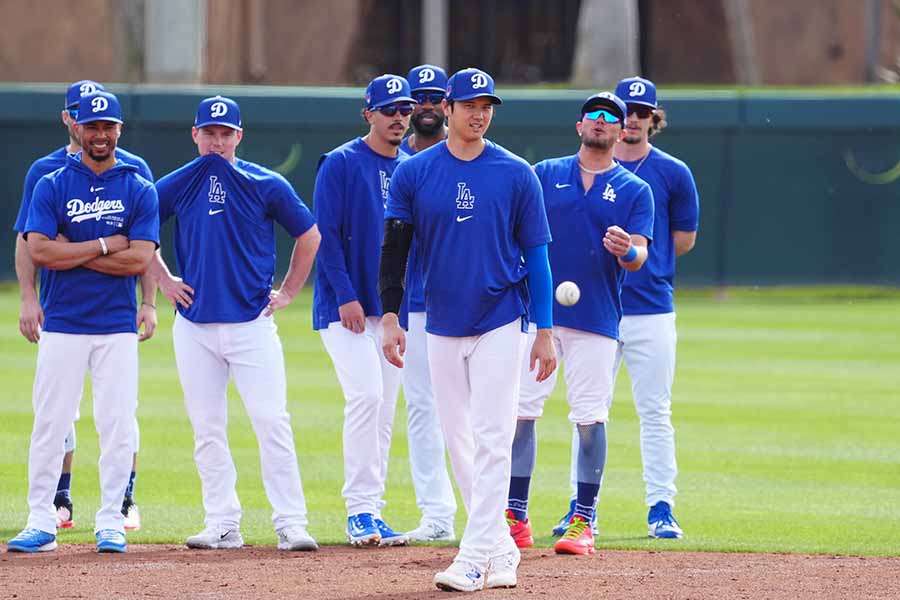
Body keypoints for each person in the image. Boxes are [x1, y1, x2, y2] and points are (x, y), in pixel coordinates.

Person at [379, 67, 557, 592]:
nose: (480, 114)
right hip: (440, 319)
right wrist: (390, 316)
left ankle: (474, 556)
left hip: (501, 318)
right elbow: (395, 250)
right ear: (448, 109)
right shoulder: (415, 173)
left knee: (493, 435)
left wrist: (544, 330)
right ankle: (502, 549)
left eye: (488, 106)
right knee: (458, 439)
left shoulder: (516, 172)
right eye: (471, 104)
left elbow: (539, 257)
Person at [148, 95, 321, 551]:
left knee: (271, 421)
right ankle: (222, 520)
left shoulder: (265, 182)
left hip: (250, 321)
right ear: (195, 135)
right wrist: (164, 279)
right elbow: (139, 231)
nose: (217, 142)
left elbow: (309, 235)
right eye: (210, 133)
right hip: (195, 323)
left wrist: (287, 292)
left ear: (239, 137)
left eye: (226, 134)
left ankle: (291, 522)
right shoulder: (177, 182)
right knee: (206, 426)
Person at [7, 90, 159, 554]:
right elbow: (39, 250)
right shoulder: (51, 182)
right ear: (76, 127)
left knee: (117, 423)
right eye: (91, 126)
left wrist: (71, 251)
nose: (100, 134)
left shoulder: (137, 184)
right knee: (51, 423)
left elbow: (142, 258)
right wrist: (104, 245)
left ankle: (111, 520)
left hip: (115, 324)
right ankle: (41, 520)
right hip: (64, 321)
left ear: (118, 130)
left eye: (107, 126)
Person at [504, 92, 654, 556]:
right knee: (521, 413)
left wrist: (626, 250)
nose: (603, 122)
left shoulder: (634, 190)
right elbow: (512, 232)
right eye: (594, 115)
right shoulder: (544, 174)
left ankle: (583, 521)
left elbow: (640, 257)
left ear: (622, 130)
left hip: (596, 317)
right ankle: (514, 515)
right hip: (538, 317)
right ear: (579, 126)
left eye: (612, 117)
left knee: (590, 417)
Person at [552, 76, 700, 540]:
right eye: (626, 109)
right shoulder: (570, 172)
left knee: (654, 409)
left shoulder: (672, 172)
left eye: (641, 111)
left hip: (649, 307)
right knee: (587, 413)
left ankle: (661, 506)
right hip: (592, 310)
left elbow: (683, 240)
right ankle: (581, 509)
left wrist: (636, 259)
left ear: (653, 120)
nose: (633, 118)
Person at [312, 74, 415, 547]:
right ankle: (358, 510)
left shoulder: (413, 165)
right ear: (368, 113)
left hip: (392, 308)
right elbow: (325, 235)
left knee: (385, 408)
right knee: (367, 397)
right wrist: (345, 295)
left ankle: (373, 510)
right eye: (389, 108)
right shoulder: (341, 162)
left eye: (405, 109)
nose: (398, 117)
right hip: (345, 306)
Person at [397, 64, 457, 543]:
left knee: (476, 410)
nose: (429, 106)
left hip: (468, 301)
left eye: (438, 98)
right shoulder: (395, 163)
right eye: (421, 97)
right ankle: (437, 512)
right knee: (420, 406)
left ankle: (491, 510)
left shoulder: (470, 159)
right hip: (414, 302)